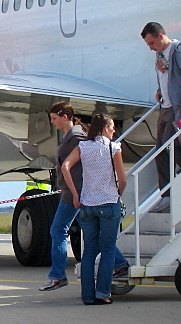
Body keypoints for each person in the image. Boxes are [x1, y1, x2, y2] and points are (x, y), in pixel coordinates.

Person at [40, 102, 129, 291]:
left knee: (58, 229)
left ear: (65, 117)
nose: (52, 122)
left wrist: (74, 191)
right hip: (78, 192)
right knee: (92, 236)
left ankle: (58, 275)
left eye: (54, 118)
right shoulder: (70, 137)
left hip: (78, 192)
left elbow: (72, 165)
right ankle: (119, 264)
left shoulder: (78, 137)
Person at [60, 114, 126, 306]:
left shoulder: (83, 146)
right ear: (105, 128)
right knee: (107, 251)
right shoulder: (113, 148)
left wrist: (75, 193)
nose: (114, 130)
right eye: (112, 126)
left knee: (89, 251)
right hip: (108, 202)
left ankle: (87, 296)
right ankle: (103, 293)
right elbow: (122, 178)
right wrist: (118, 193)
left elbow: (65, 166)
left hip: (87, 204)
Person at [140, 22, 181, 213]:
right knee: (163, 150)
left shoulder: (179, 50)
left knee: (171, 147)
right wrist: (160, 90)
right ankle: (168, 194)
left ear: (160, 36)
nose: (151, 48)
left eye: (152, 43)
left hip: (179, 108)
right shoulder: (159, 54)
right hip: (165, 107)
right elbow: (165, 76)